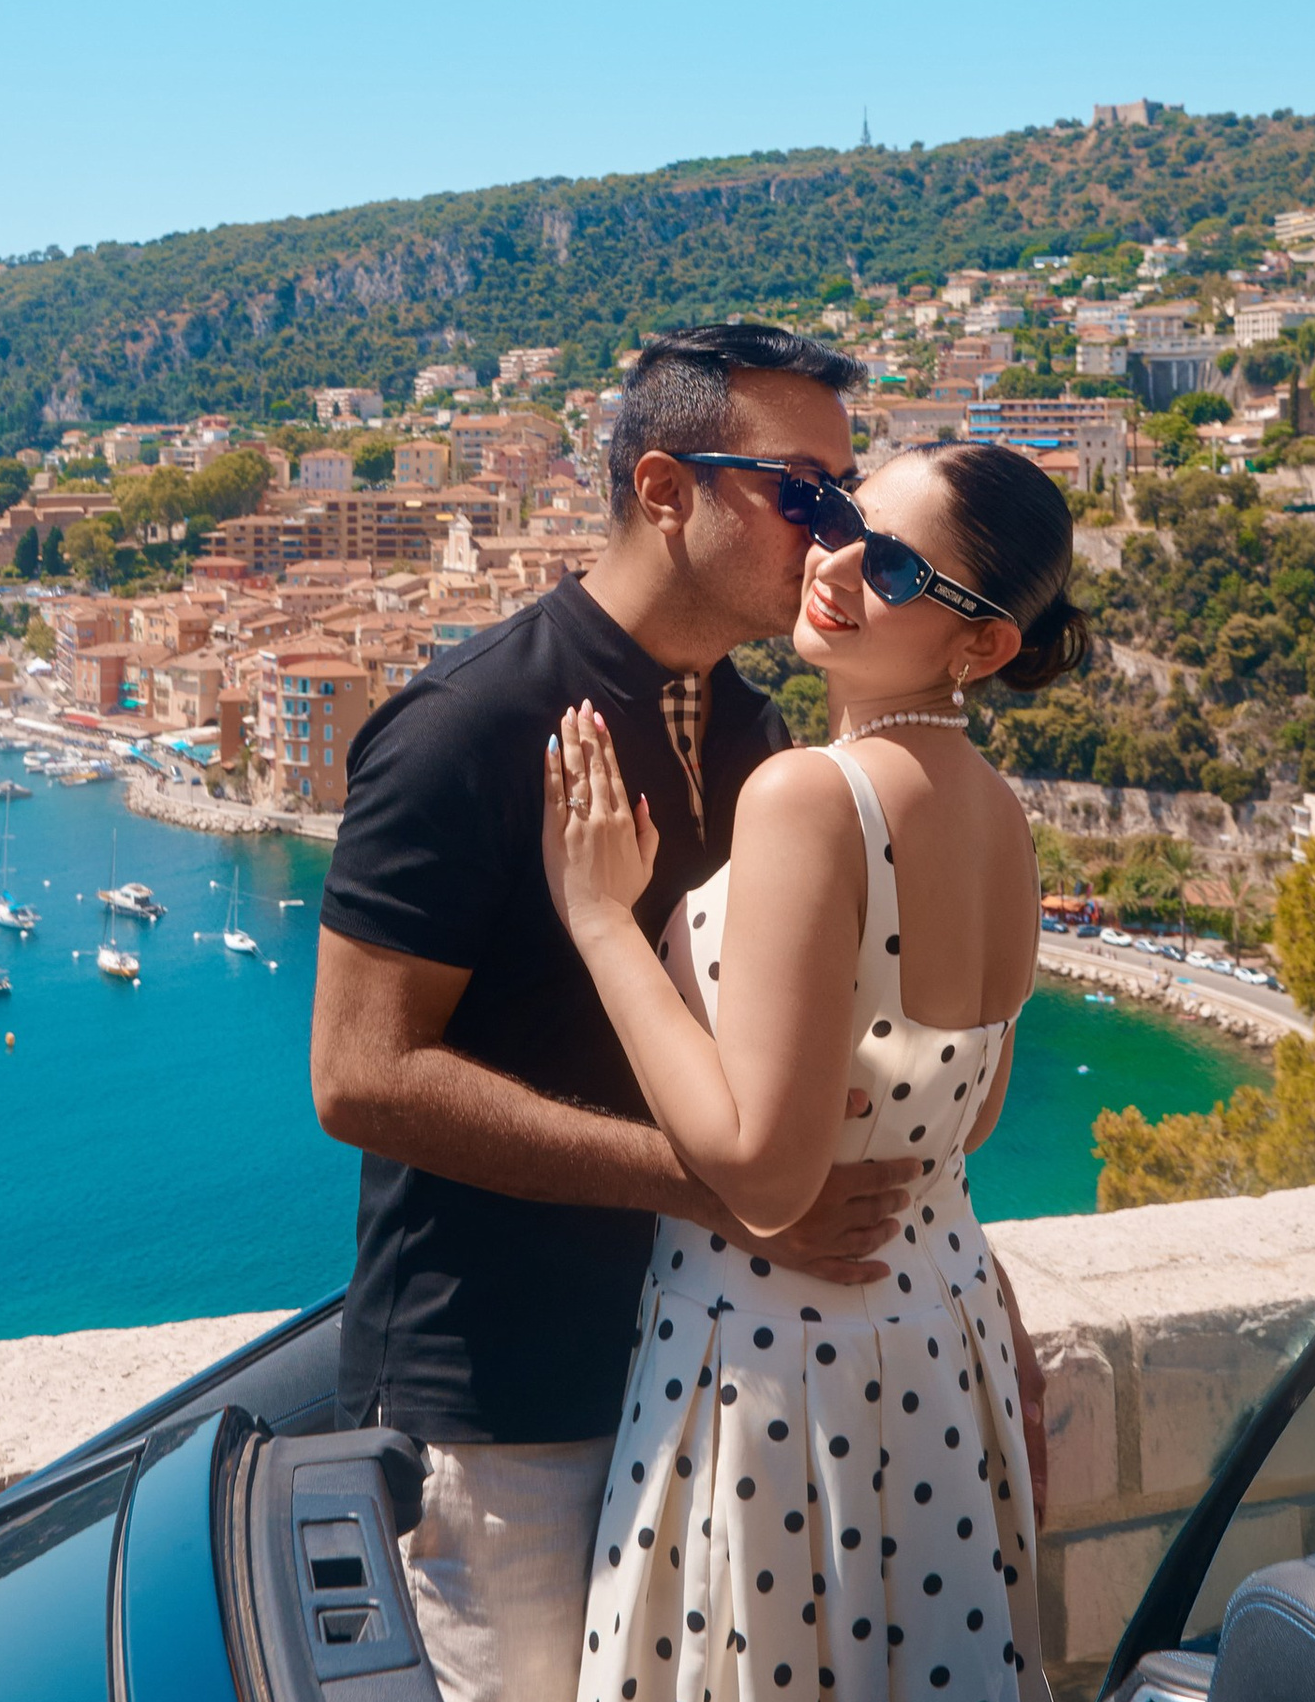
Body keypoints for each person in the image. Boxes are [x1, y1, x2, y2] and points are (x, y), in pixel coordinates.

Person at [313, 325, 1044, 1702]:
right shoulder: (463, 727)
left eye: (847, 499)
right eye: (803, 493)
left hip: (712, 1373)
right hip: (514, 1400)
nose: (830, 535)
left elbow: (861, 1069)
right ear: (664, 489)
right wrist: (722, 1194)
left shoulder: (766, 739)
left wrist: (969, 1295)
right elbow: (360, 1074)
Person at [542, 438, 1089, 1702]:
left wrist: (601, 922)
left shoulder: (807, 796)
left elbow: (763, 1176)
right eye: (841, 523)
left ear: (982, 644)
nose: (833, 565)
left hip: (780, 1366)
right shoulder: (1003, 817)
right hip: (939, 1343)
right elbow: (967, 1119)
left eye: (891, 567)